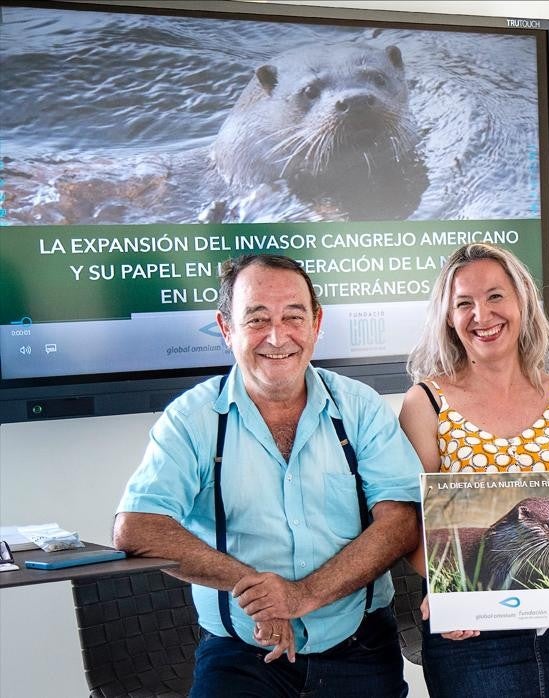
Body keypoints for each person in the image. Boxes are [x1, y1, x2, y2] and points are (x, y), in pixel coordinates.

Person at [114, 254, 422, 697]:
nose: (277, 337)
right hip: (240, 655)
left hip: (360, 647)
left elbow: (401, 521)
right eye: (257, 319)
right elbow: (137, 527)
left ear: (317, 324)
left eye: (293, 317)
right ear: (226, 329)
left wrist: (303, 595)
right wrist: (258, 592)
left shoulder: (361, 407)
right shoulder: (192, 419)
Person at [399, 242, 549, 698]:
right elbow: (410, 527)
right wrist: (449, 592)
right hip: (471, 636)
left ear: (522, 302)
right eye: (463, 303)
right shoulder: (424, 403)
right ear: (449, 317)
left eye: (495, 296)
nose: (481, 315)